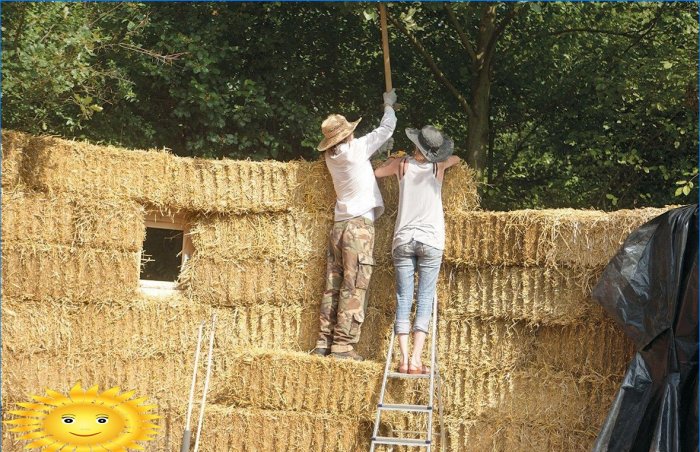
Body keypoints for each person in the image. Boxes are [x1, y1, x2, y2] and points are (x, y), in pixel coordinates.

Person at [311, 89, 397, 361]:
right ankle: (343, 346)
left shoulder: (331, 157)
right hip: (357, 227)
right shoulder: (357, 149)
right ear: (348, 134)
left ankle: (324, 342)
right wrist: (388, 105)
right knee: (355, 284)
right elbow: (386, 128)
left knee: (333, 285)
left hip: (339, 227)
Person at [374, 125, 460, 374]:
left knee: (404, 298)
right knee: (424, 298)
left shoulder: (401, 165)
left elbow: (377, 173)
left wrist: (393, 159)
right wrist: (440, 157)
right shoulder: (438, 166)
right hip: (431, 240)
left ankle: (401, 360)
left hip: (403, 239)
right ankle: (416, 359)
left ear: (415, 145)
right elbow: (457, 158)